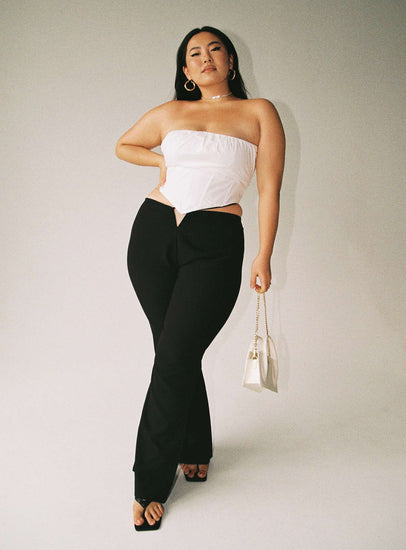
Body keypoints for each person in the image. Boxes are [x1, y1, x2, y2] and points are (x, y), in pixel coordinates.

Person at [115, 25, 285, 531]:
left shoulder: (259, 112)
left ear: (230, 61)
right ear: (186, 71)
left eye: (215, 49)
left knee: (174, 357)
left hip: (214, 239)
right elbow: (124, 145)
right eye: (194, 53)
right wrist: (161, 159)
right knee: (173, 352)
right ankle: (194, 448)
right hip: (153, 234)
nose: (205, 57)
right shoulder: (172, 113)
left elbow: (270, 188)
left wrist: (264, 254)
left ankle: (149, 483)